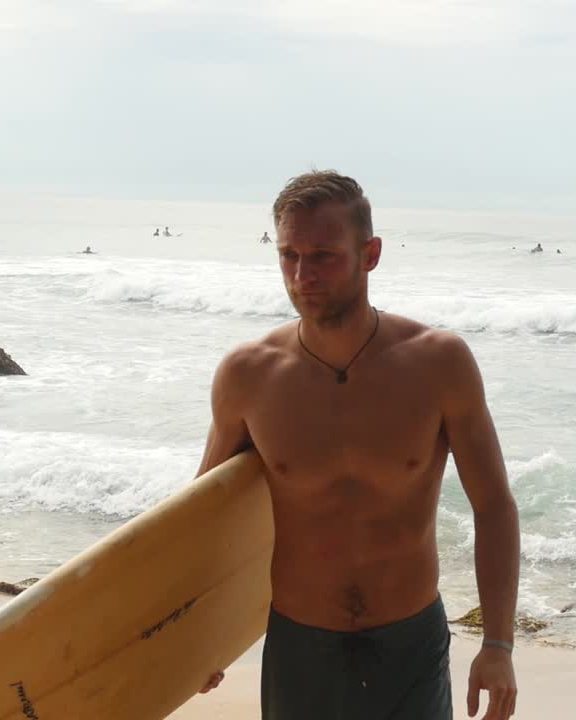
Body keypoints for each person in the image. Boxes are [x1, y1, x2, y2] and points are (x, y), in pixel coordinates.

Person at [196, 171, 520, 720]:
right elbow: (204, 519)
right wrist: (197, 639)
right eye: (289, 256)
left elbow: (493, 506)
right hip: (301, 645)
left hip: (409, 644)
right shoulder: (248, 375)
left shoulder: (438, 363)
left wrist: (498, 645)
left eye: (323, 255)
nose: (303, 275)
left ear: (369, 254)